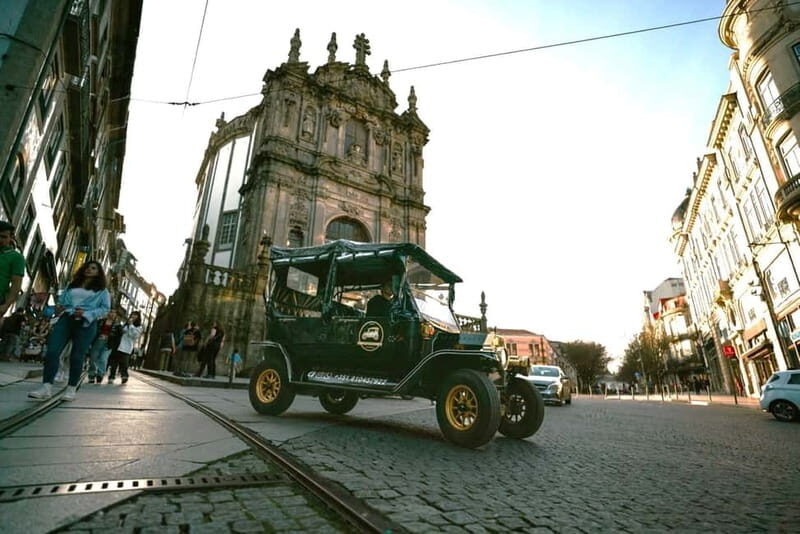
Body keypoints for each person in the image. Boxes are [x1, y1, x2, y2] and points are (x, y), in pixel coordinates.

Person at [28, 261, 111, 401]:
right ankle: (46, 387)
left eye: (93, 268)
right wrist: (60, 306)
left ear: (99, 273)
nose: (89, 270)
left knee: (77, 356)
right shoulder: (72, 285)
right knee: (52, 351)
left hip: (86, 323)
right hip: (66, 319)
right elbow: (62, 301)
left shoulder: (102, 291)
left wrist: (87, 313)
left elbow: (105, 309)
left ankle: (71, 389)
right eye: (87, 267)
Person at [107, 311, 142, 384]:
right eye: (132, 314)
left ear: (138, 317)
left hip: (126, 347)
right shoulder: (126, 324)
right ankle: (111, 376)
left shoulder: (139, 327)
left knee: (124, 363)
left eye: (135, 315)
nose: (133, 316)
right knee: (114, 362)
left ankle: (124, 376)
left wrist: (131, 325)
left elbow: (134, 335)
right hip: (118, 345)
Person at [0, 221, 25, 320]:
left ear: (11, 238)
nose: (0, 239)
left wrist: (6, 306)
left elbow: (16, 285)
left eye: (3, 237)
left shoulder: (17, 258)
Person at [87, 309, 119, 383]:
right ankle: (91, 374)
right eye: (111, 312)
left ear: (116, 315)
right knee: (93, 358)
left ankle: (100, 374)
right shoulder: (100, 321)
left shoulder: (117, 325)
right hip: (97, 341)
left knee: (103, 359)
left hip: (108, 344)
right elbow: (94, 331)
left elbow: (118, 337)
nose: (112, 314)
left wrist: (114, 346)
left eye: (114, 313)